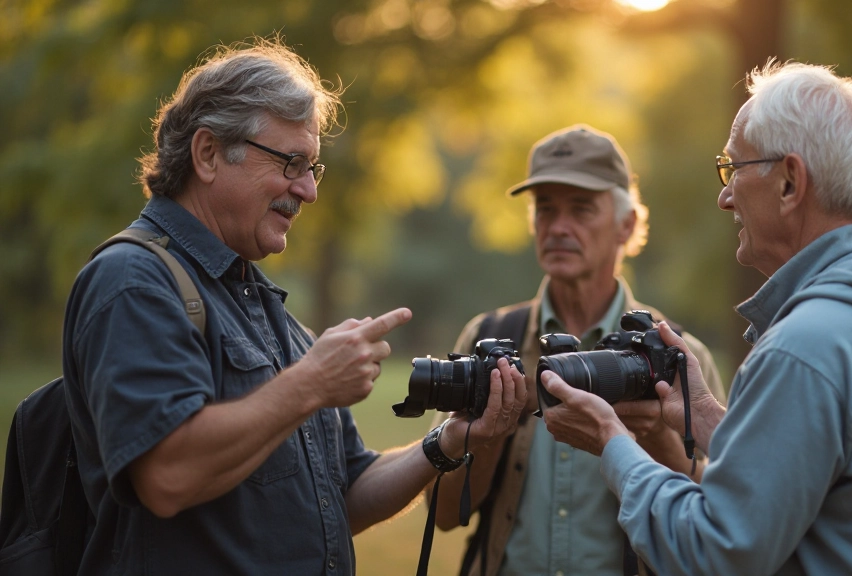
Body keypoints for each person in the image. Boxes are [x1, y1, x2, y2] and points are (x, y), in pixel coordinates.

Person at [61, 38, 526, 576]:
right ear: (208, 153)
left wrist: (446, 440)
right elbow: (167, 476)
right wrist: (310, 384)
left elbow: (346, 495)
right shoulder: (133, 281)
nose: (308, 191)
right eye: (291, 162)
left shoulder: (267, 310)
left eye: (313, 168)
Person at [539, 62, 852, 575]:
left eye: (734, 169)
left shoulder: (805, 347)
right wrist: (704, 416)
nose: (724, 195)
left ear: (790, 183)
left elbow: (714, 552)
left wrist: (610, 439)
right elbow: (828, 481)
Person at [430, 124, 725, 576]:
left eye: (581, 209)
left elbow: (721, 522)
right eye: (544, 209)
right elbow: (445, 514)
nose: (558, 227)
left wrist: (654, 438)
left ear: (627, 224)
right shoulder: (486, 338)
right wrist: (488, 433)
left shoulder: (678, 354)